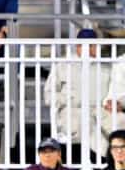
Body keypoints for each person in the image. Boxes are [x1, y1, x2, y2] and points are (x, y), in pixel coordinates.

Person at [43, 29, 116, 157]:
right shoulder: (63, 65)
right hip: (72, 111)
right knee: (86, 122)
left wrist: (116, 102)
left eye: (91, 45)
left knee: (120, 121)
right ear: (77, 46)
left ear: (96, 47)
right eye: (82, 45)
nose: (86, 48)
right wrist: (69, 98)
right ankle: (111, 158)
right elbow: (48, 95)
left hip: (100, 110)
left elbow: (116, 91)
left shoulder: (106, 66)